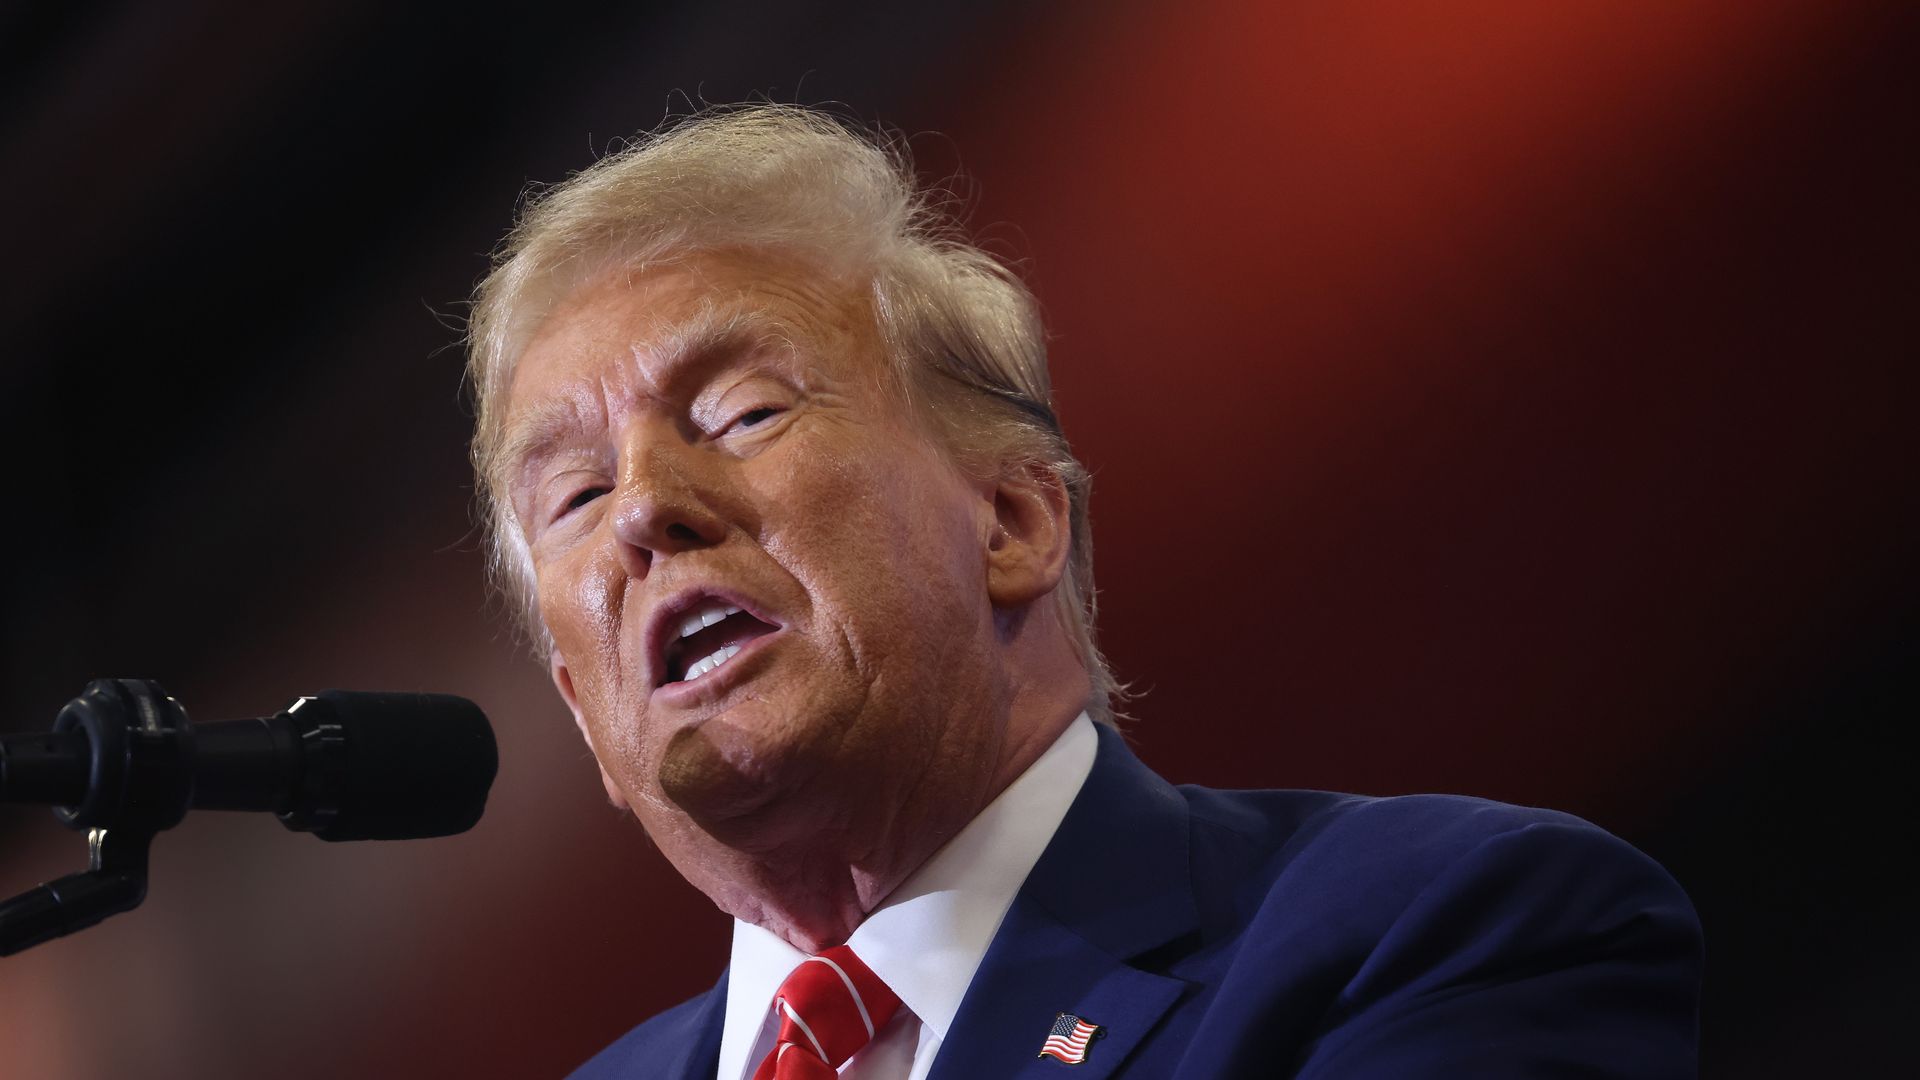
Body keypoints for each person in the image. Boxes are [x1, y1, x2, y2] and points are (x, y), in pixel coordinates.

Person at [466, 105, 1702, 1079]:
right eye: (572, 498)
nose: (641, 510)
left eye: (743, 412)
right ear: (583, 709)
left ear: (1012, 521)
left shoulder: (1433, 933)